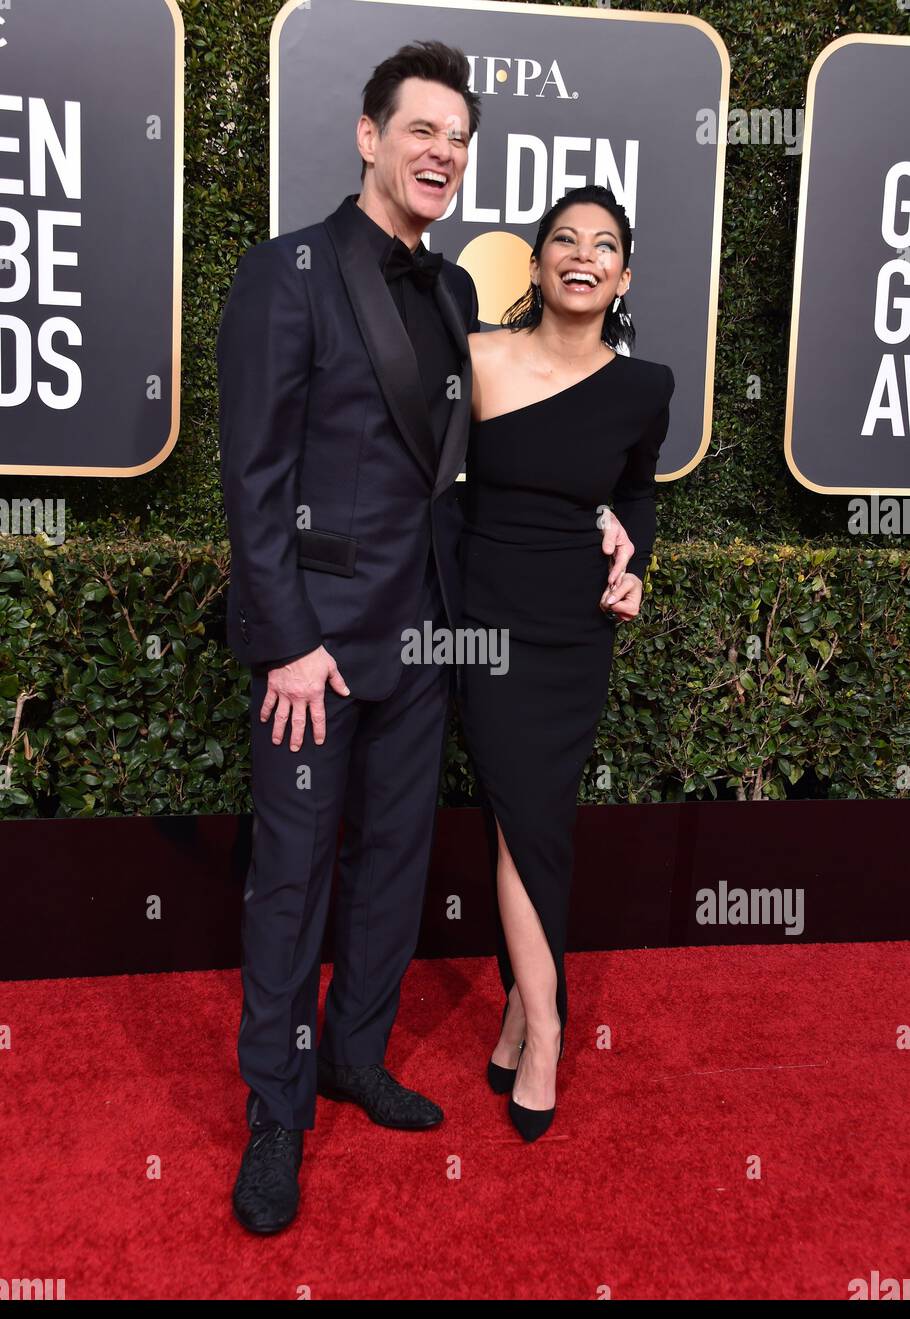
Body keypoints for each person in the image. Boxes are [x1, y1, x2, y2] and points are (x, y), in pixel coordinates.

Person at [216, 40, 485, 1236]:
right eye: (422, 129)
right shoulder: (289, 273)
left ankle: (354, 1056)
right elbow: (255, 476)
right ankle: (277, 1112)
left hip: (422, 640)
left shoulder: (461, 290)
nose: (442, 152)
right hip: (315, 650)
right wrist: (283, 640)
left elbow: (456, 477)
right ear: (369, 136)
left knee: (392, 864)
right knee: (294, 876)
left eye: (460, 138)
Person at [458, 184, 675, 1141]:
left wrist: (637, 564)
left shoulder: (645, 387)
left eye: (604, 246)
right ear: (537, 263)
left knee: (537, 822)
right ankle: (547, 1029)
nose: (582, 255)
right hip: (485, 622)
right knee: (522, 820)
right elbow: (423, 488)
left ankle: (519, 1013)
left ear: (622, 275)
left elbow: (636, 493)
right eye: (563, 240)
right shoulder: (476, 357)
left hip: (576, 628)